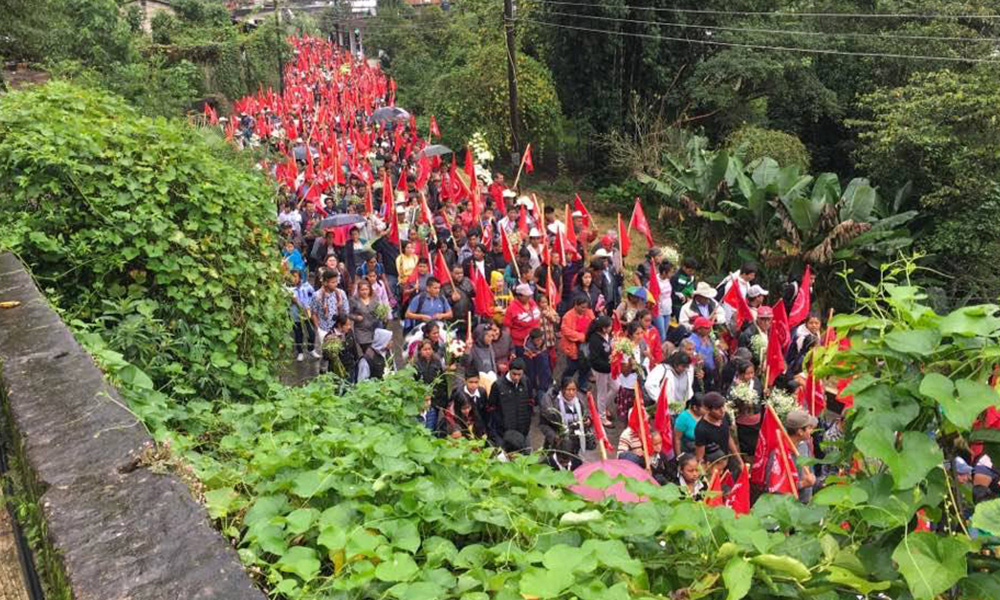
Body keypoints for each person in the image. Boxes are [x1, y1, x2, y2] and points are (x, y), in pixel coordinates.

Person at [695, 392, 743, 472]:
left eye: (723, 406)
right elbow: (700, 457)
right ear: (707, 409)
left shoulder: (725, 416)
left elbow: (728, 438)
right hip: (714, 467)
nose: (722, 411)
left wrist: (739, 461)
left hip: (727, 460)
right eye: (717, 409)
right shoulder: (701, 429)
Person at [539, 377, 588, 454]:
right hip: (556, 446)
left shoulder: (580, 402)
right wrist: (554, 438)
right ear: (562, 390)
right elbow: (543, 425)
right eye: (568, 390)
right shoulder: (553, 405)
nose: (571, 393)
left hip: (574, 446)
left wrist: (588, 421)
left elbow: (586, 416)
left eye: (574, 390)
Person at [488, 358, 533, 440]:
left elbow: (530, 403)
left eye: (519, 374)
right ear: (509, 370)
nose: (516, 377)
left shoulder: (526, 382)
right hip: (504, 433)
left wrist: (527, 425)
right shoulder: (498, 385)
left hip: (523, 431)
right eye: (514, 374)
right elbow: (491, 408)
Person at [310, 270, 349, 358]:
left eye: (336, 281)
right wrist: (318, 329)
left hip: (339, 329)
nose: (335, 284)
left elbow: (346, 311)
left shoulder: (341, 294)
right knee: (326, 356)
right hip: (324, 329)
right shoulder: (317, 296)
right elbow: (314, 313)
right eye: (333, 282)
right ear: (325, 282)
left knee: (340, 354)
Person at [559, 295, 595, 389]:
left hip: (586, 345)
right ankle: (564, 383)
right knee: (572, 367)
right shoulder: (568, 316)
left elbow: (594, 324)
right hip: (573, 346)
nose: (584, 309)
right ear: (576, 305)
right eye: (582, 307)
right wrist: (581, 337)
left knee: (586, 366)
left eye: (586, 307)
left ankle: (582, 384)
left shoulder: (588, 312)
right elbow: (565, 330)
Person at [586, 316, 615, 427]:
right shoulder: (595, 340)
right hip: (601, 370)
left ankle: (601, 408)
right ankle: (602, 417)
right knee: (602, 392)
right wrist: (609, 366)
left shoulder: (607, 335)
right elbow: (595, 360)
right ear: (603, 328)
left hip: (609, 368)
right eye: (610, 326)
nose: (611, 328)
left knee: (616, 387)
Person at [784, 410, 818, 503]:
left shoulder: (803, 444)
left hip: (806, 500)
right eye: (809, 428)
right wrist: (802, 484)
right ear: (800, 432)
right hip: (792, 505)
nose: (811, 431)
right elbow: (777, 487)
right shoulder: (781, 453)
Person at [412, 339, 447, 428]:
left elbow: (443, 382)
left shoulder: (437, 363)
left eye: (429, 349)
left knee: (432, 425)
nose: (428, 352)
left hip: (435, 400)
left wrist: (444, 401)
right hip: (422, 401)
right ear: (420, 351)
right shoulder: (416, 365)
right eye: (425, 349)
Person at [503, 283, 541, 354]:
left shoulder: (532, 303)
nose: (529, 297)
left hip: (536, 342)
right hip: (521, 344)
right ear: (519, 296)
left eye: (530, 295)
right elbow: (507, 327)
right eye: (527, 296)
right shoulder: (512, 308)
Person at [288, 270, 315, 362]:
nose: (294, 279)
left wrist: (309, 307)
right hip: (295, 315)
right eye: (292, 277)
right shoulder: (288, 289)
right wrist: (291, 301)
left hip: (307, 314)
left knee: (311, 332)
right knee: (298, 334)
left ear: (300, 277)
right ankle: (300, 352)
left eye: (296, 276)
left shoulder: (306, 286)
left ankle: (311, 349)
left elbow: (313, 296)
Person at [687, 317, 719, 392]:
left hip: (710, 372)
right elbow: (694, 358)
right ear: (699, 329)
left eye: (709, 327)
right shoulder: (691, 341)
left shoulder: (709, 338)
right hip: (699, 374)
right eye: (707, 328)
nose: (710, 329)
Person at [350, 280, 380, 351]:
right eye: (362, 290)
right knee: (367, 352)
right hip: (361, 331)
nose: (364, 292)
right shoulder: (354, 300)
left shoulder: (375, 298)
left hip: (374, 329)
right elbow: (348, 314)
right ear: (358, 290)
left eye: (366, 289)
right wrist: (356, 317)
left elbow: (379, 309)